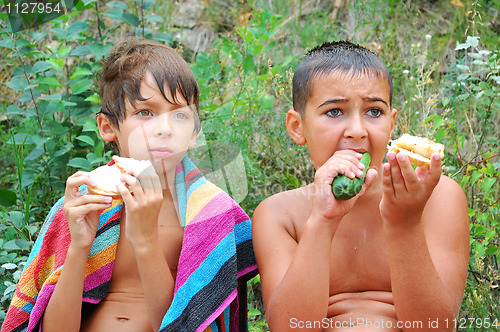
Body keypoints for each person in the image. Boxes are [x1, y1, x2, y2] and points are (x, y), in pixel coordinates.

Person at [3, 38, 256, 332]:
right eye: (145, 113)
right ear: (108, 127)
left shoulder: (211, 216)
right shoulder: (84, 203)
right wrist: (79, 247)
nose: (164, 129)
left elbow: (187, 325)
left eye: (180, 115)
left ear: (193, 133)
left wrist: (146, 240)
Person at [252, 41, 469, 331]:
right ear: (297, 127)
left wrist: (405, 224)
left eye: (374, 112)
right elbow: (290, 327)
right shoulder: (280, 215)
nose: (357, 131)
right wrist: (322, 220)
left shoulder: (438, 198)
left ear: (392, 125)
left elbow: (435, 327)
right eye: (334, 112)